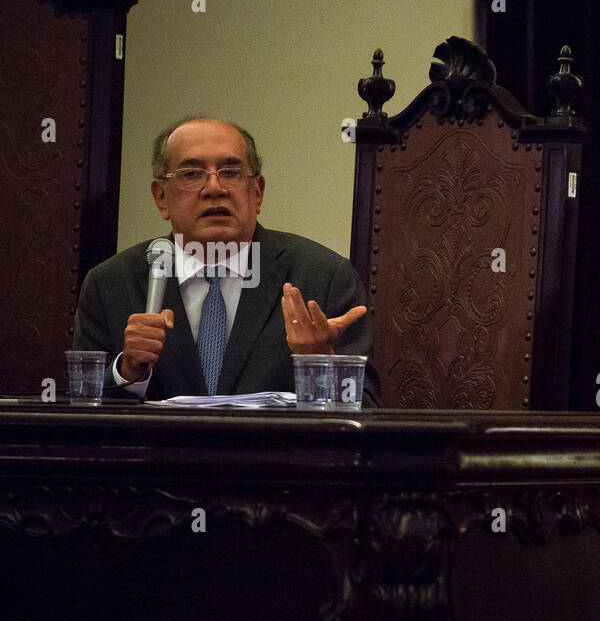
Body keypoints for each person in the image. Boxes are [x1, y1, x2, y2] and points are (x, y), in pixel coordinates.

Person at [73, 116, 379, 405]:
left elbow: (364, 411)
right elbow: (81, 419)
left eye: (231, 173)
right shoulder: (110, 284)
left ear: (257, 193)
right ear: (161, 198)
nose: (214, 189)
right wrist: (128, 372)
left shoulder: (322, 277)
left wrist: (318, 364)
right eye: (191, 174)